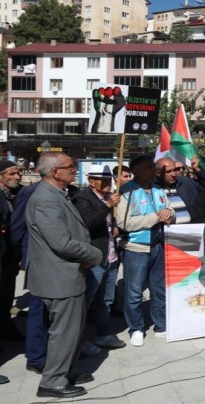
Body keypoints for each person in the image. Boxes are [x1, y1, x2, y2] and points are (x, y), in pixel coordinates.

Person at [26, 152, 102, 398]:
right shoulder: (46, 199)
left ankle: (65, 371)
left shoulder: (56, 194)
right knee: (64, 332)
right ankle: (52, 382)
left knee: (72, 330)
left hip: (67, 272)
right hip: (58, 276)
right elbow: (61, 242)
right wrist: (94, 253)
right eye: (70, 166)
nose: (74, 170)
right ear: (55, 172)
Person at [116, 155, 175, 347]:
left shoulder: (158, 188)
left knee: (159, 289)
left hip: (159, 246)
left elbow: (171, 210)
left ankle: (161, 325)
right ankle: (136, 328)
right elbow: (125, 223)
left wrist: (169, 214)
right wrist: (155, 217)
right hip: (136, 249)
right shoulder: (126, 191)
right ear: (137, 170)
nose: (154, 170)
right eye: (149, 167)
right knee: (134, 291)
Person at [72, 165, 126, 350]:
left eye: (109, 180)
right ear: (91, 181)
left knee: (106, 300)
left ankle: (103, 333)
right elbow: (87, 223)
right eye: (102, 180)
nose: (107, 183)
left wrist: (114, 224)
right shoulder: (82, 199)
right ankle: (78, 340)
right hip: (94, 258)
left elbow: (109, 222)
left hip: (110, 256)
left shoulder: (108, 197)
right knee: (85, 302)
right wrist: (107, 206)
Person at [0, 160, 23, 340]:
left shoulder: (20, 194)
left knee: (7, 294)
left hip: (11, 254)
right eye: (12, 174)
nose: (17, 176)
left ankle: (6, 326)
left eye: (18, 173)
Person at [155, 156, 205, 224]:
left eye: (175, 170)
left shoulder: (185, 182)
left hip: (191, 227)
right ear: (158, 173)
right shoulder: (153, 189)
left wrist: (197, 169)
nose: (173, 174)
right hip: (168, 229)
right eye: (168, 172)